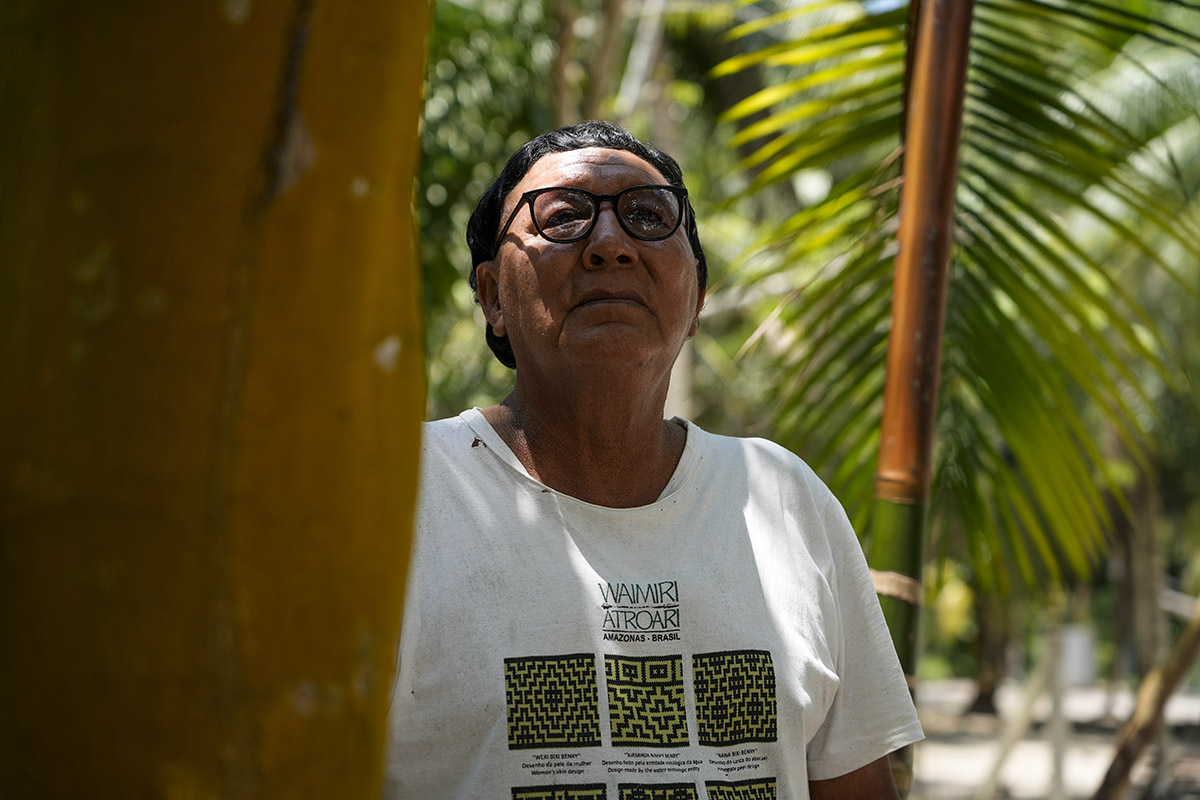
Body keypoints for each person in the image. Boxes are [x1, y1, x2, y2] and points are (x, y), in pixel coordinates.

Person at [384, 121, 923, 800]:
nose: (609, 245)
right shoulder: (402, 494)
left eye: (646, 216)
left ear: (696, 298)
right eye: (563, 219)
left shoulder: (785, 499)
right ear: (493, 297)